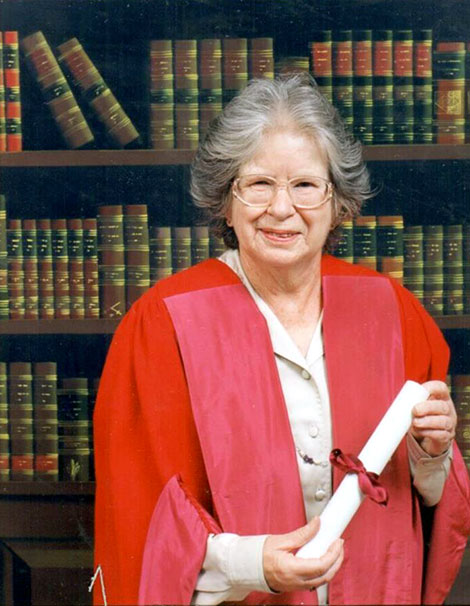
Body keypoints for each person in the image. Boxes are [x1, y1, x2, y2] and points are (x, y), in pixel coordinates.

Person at [93, 74, 470, 606]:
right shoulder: (165, 323)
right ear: (226, 202)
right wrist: (254, 564)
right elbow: (142, 518)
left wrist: (431, 452)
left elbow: (430, 506)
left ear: (337, 203)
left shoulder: (391, 311)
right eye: (259, 184)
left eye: (305, 185)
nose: (281, 208)